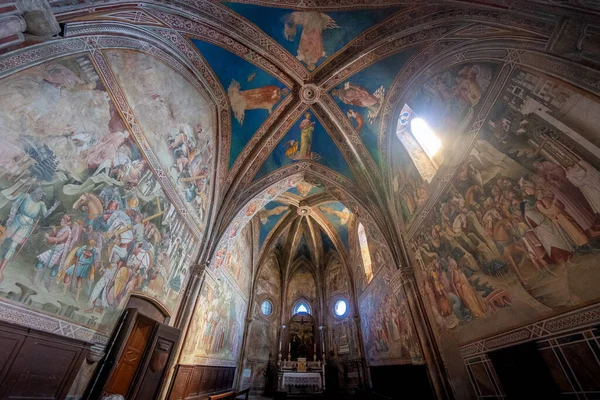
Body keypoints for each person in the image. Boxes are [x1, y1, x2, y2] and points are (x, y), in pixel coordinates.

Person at [0, 188, 60, 281]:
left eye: (41, 195)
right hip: (16, 221)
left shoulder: (41, 204)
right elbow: (14, 205)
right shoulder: (25, 196)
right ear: (35, 192)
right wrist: (11, 218)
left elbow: (45, 214)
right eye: (39, 193)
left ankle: (1, 269)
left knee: (13, 246)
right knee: (3, 239)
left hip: (26, 227)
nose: (40, 196)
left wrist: (53, 208)